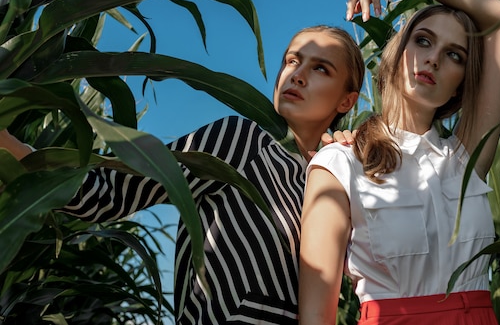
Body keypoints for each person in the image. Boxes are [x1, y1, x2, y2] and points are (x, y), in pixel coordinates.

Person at [0, 25, 365, 325]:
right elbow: (108, 192)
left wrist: (346, 166)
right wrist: (11, 147)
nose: (297, 76)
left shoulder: (331, 179)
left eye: (320, 68)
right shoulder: (239, 140)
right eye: (291, 61)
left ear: (346, 101)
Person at [298, 0, 500, 325]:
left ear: (461, 83)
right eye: (423, 40)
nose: (432, 59)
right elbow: (316, 315)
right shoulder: (340, 162)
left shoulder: (465, 159)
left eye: (454, 55)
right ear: (398, 53)